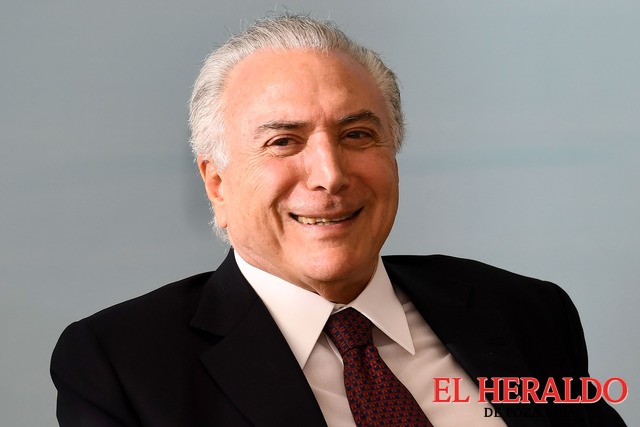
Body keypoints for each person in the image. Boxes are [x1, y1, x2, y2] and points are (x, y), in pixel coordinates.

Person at [51, 14, 626, 427]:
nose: (330, 174)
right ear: (217, 184)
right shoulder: (121, 365)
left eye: (357, 135)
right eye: (283, 141)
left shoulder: (525, 312)